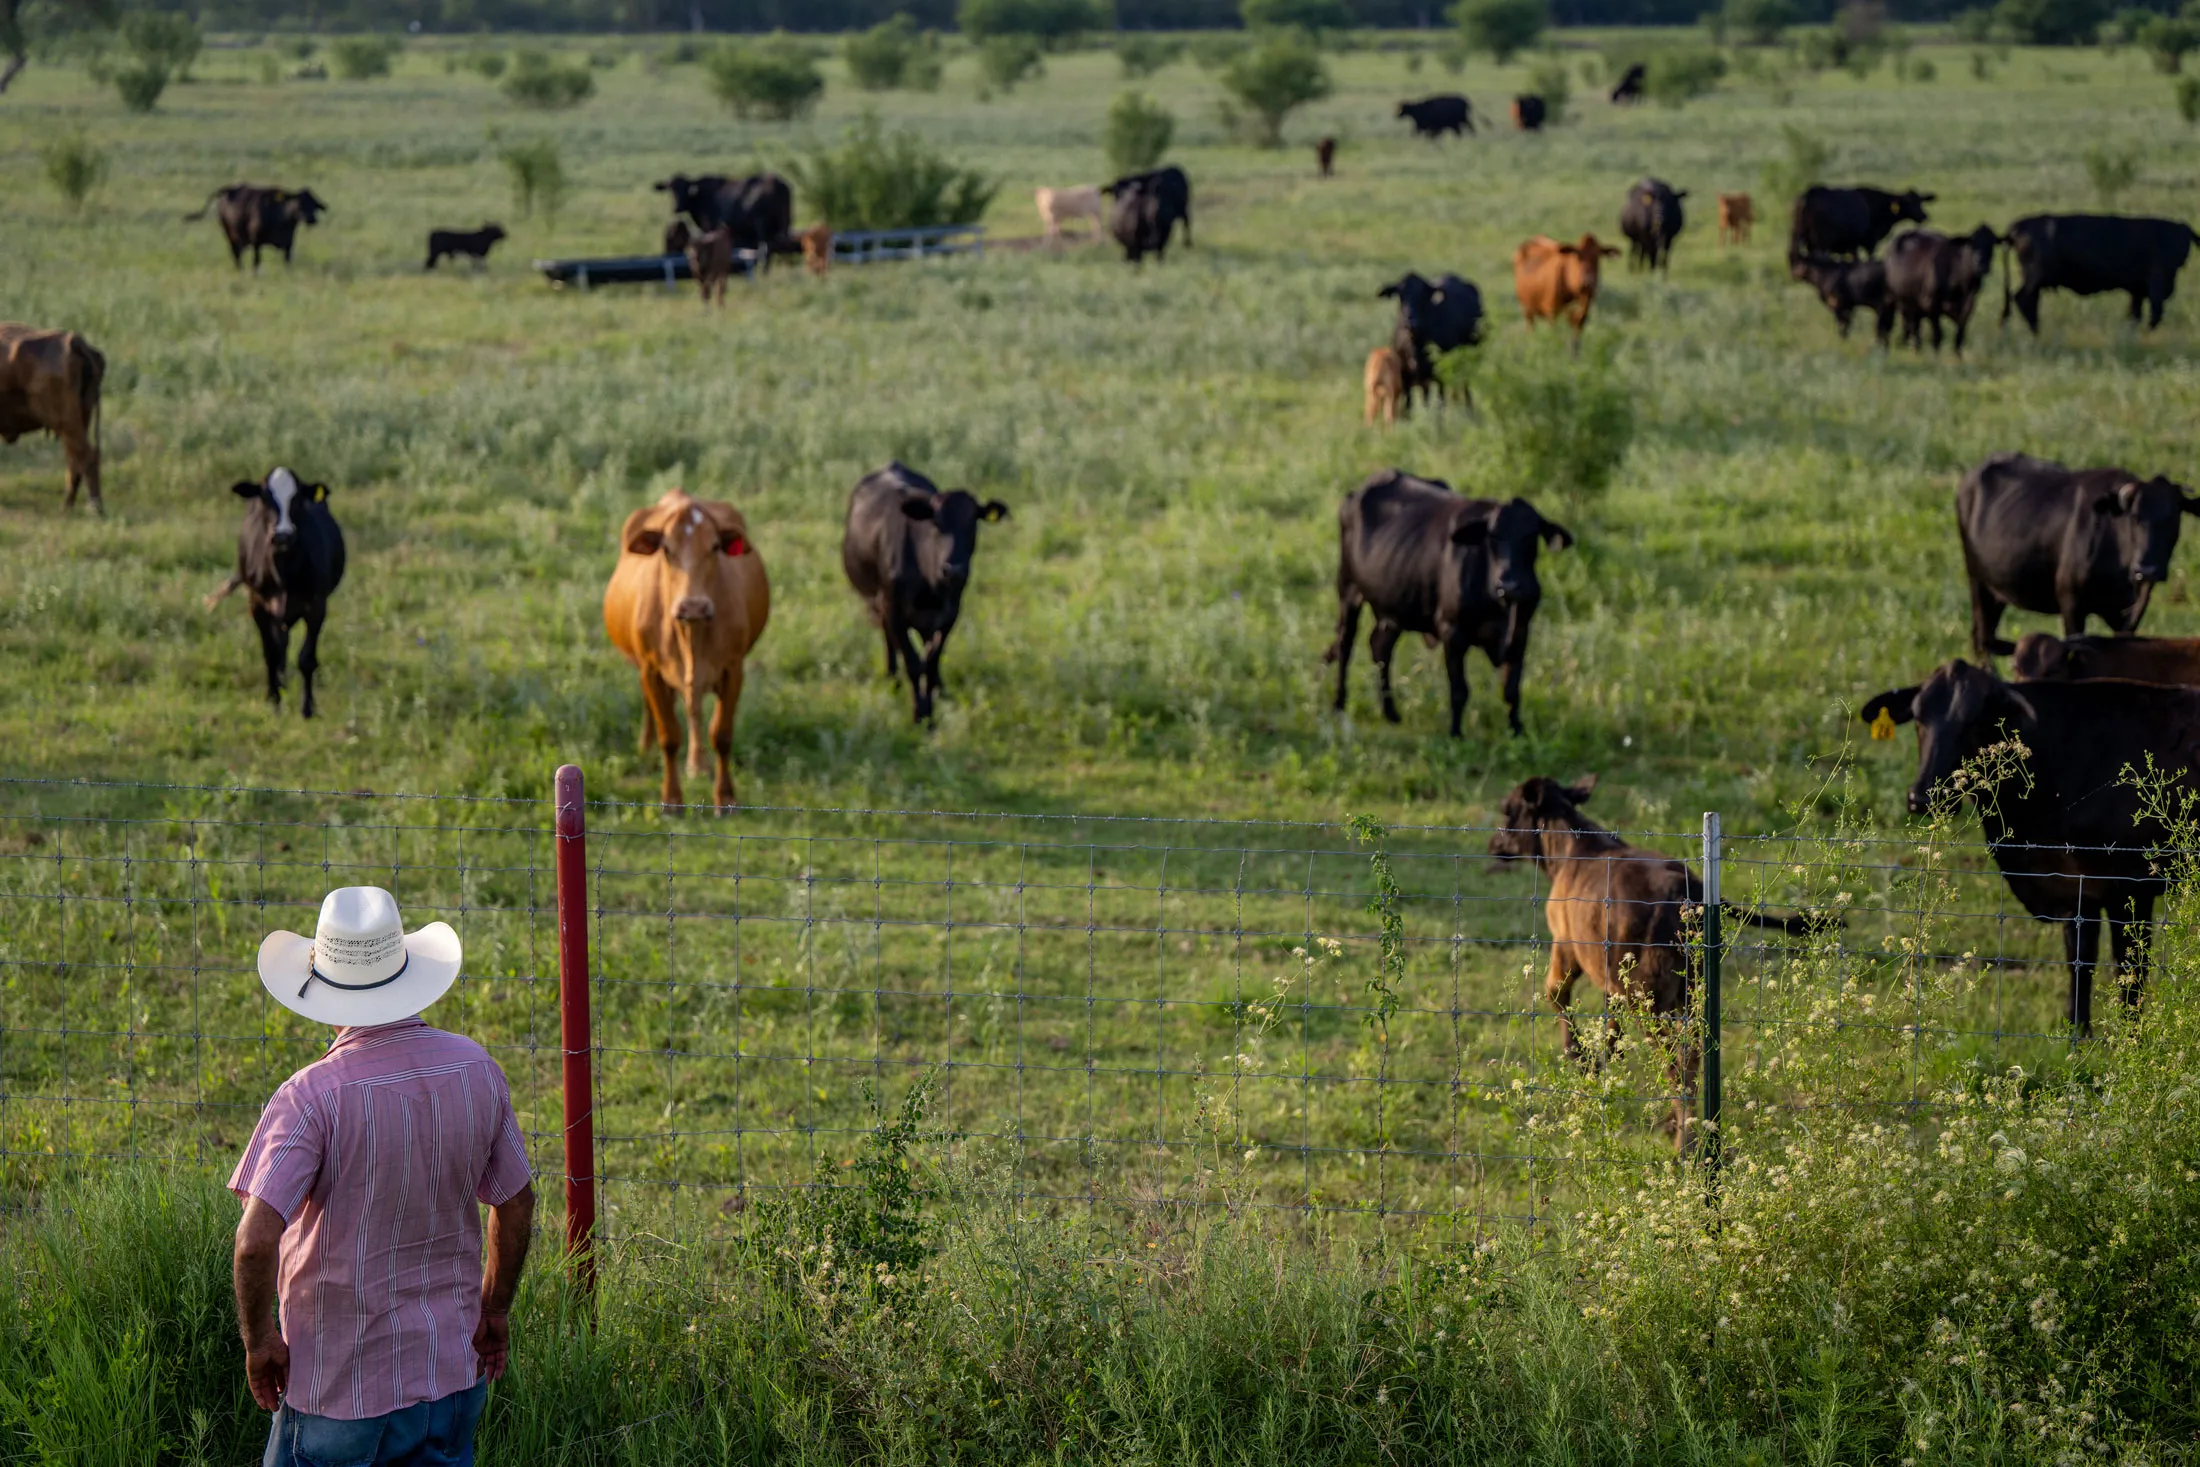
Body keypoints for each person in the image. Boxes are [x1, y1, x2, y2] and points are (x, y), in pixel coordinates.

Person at [229, 886, 535, 1467]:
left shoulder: (311, 1096)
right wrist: (494, 1310)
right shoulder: (476, 1070)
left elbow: (254, 1243)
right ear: (404, 970)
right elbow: (516, 1203)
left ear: (322, 984)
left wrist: (260, 1341)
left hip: (338, 1390)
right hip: (450, 1374)